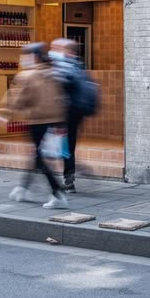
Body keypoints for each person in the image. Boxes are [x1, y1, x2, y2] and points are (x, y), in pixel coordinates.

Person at [3, 42, 69, 209]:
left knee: (39, 158)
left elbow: (16, 100)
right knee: (37, 155)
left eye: (24, 55)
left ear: (33, 57)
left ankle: (57, 192)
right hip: (54, 122)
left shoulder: (28, 75)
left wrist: (3, 115)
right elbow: (60, 99)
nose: (22, 59)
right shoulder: (53, 73)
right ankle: (22, 188)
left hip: (37, 122)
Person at [49, 38, 87, 194]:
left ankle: (68, 179)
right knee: (67, 146)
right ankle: (69, 178)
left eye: (57, 48)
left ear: (68, 51)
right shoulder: (78, 65)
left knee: (59, 147)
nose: (53, 51)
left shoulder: (65, 67)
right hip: (73, 113)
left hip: (64, 113)